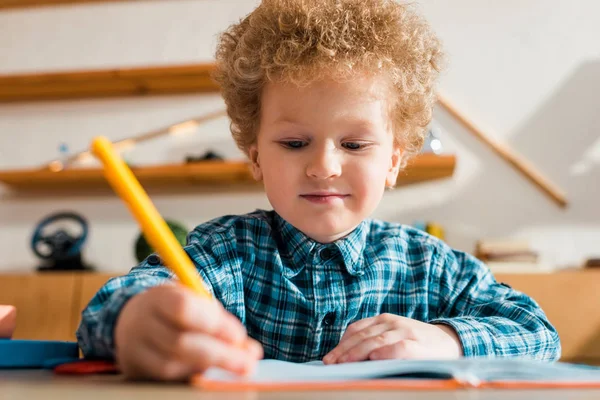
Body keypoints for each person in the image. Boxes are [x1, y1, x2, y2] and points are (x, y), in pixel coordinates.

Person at [77, 0, 561, 381]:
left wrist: (447, 340)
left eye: (353, 143)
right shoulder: (224, 255)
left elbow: (538, 334)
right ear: (255, 155)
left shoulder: (430, 268)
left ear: (394, 161)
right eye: (294, 143)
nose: (324, 167)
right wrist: (134, 322)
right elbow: (103, 311)